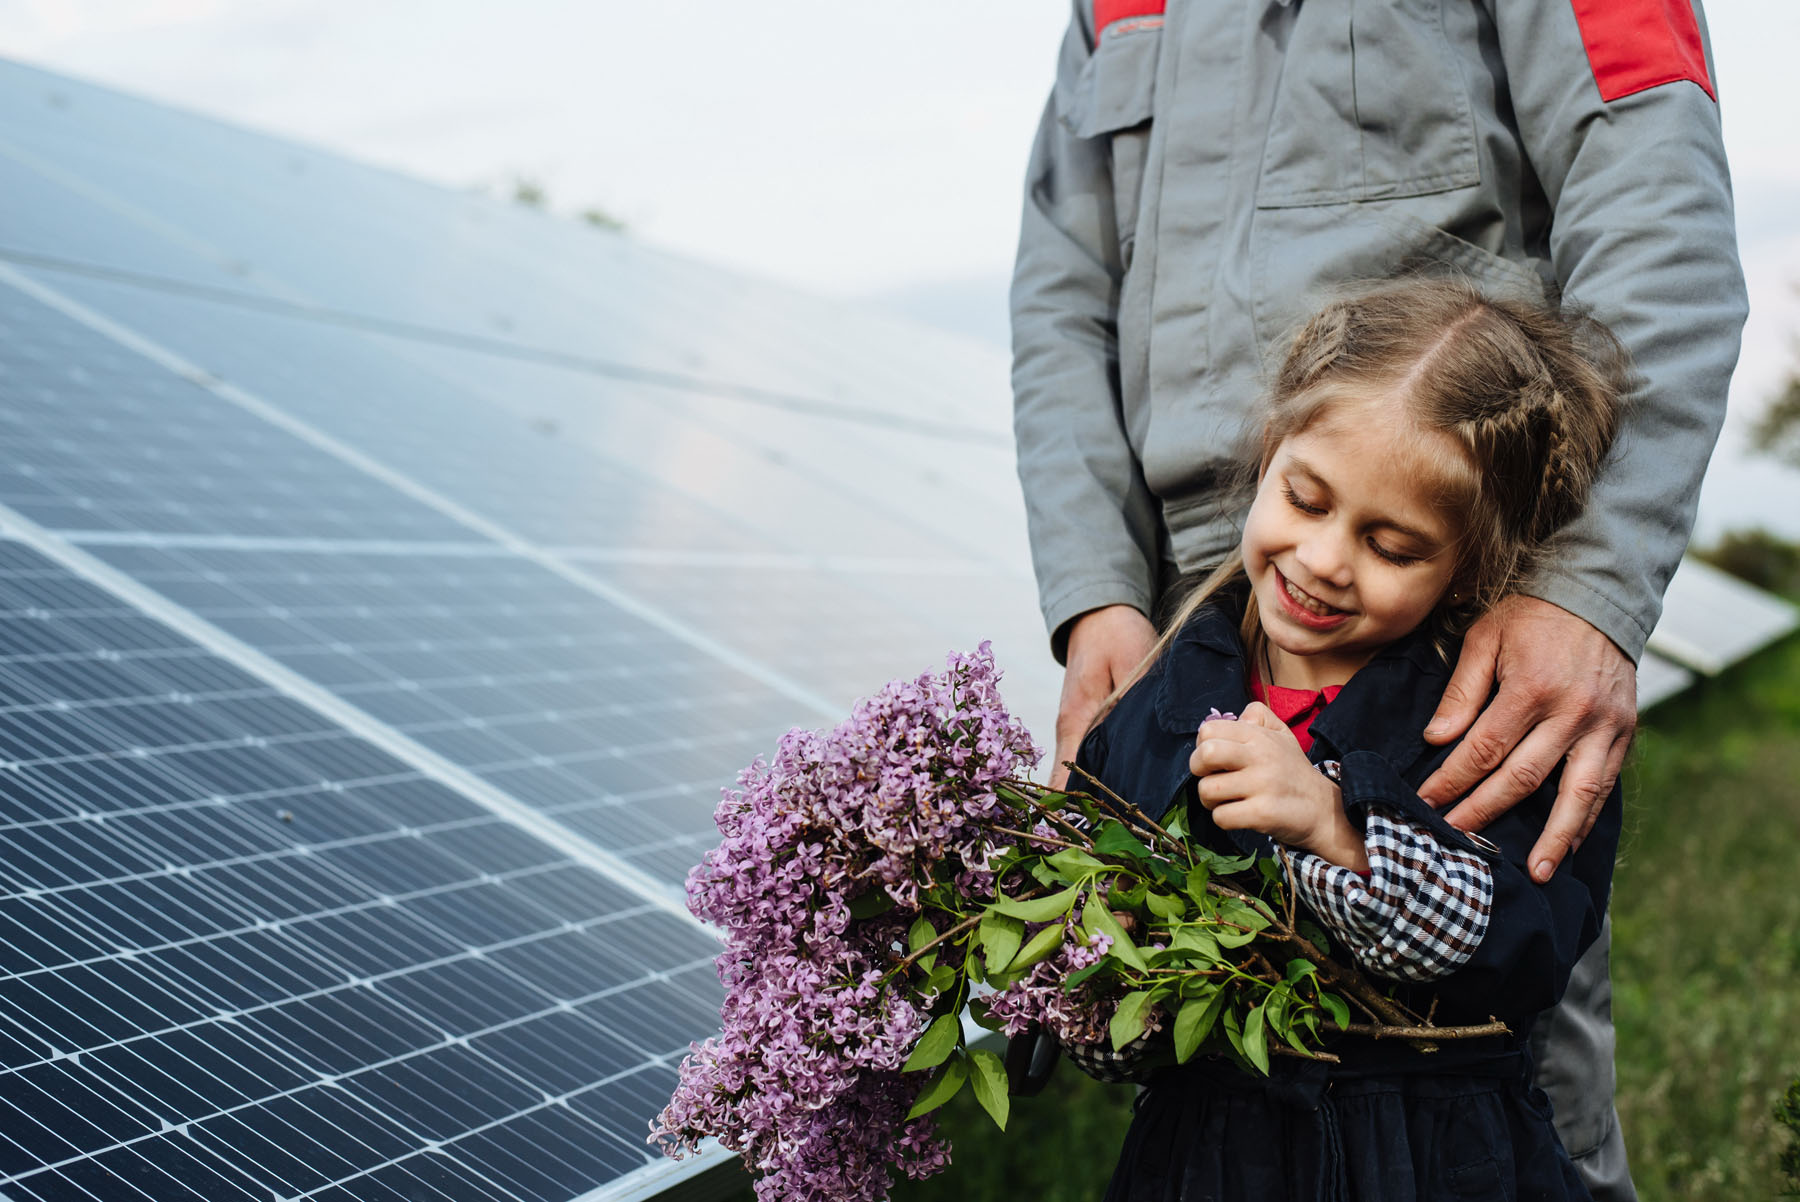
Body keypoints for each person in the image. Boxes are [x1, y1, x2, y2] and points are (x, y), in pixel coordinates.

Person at [1010, 3, 1748, 1193]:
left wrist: (1587, 587)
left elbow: (1657, 212)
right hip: (1191, 589)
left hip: (1469, 615)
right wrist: (1097, 592)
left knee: (1494, 1089)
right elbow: (1060, 293)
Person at [1070, 279, 1626, 1200]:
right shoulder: (1162, 692)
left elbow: (1533, 945)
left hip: (1427, 1158)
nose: (1325, 561)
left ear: (1468, 568)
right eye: (1306, 499)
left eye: (1393, 547)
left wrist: (1338, 830)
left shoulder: (1489, 719)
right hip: (1204, 1160)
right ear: (1265, 461)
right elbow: (1103, 946)